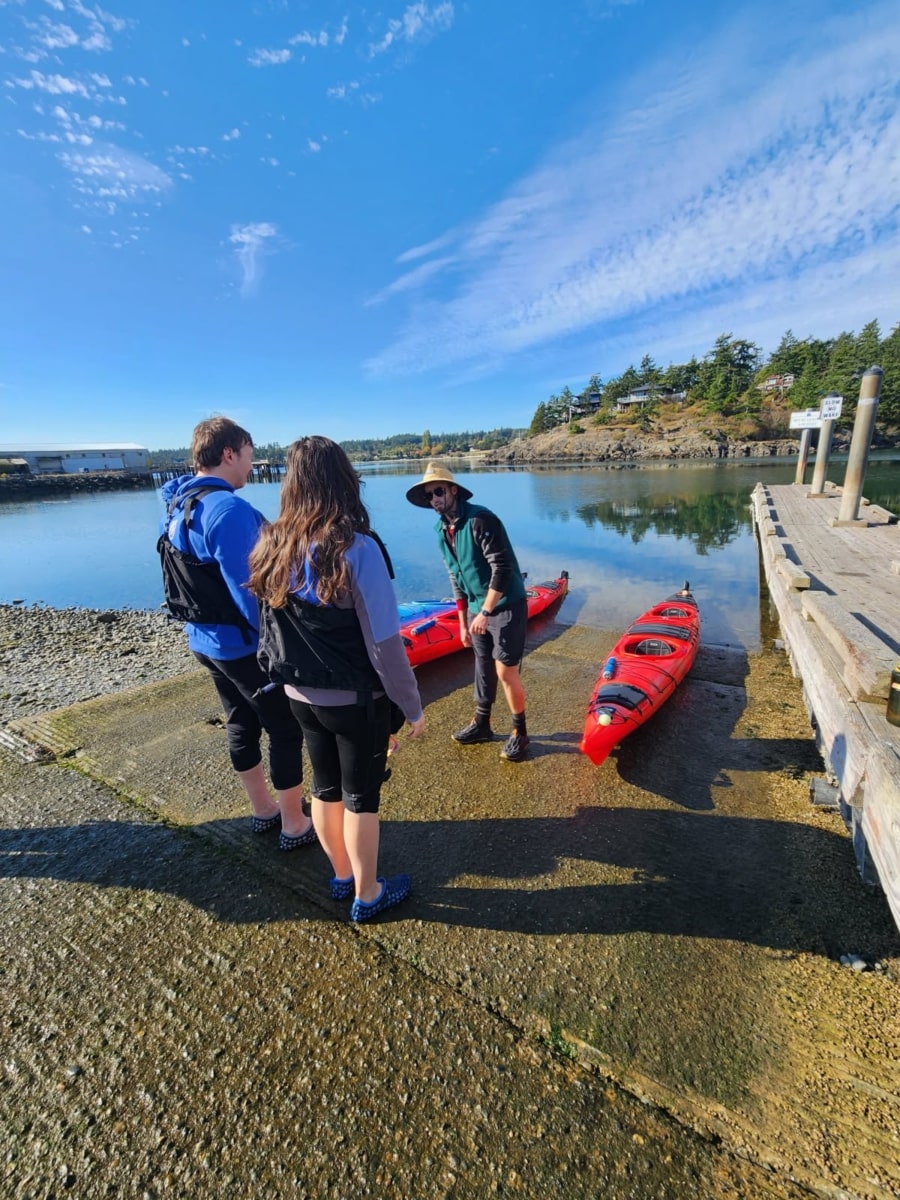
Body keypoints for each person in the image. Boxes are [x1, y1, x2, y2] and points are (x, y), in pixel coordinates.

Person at [247, 436, 425, 922]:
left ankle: (343, 876)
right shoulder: (358, 549)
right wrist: (412, 708)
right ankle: (369, 895)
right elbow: (386, 647)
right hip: (355, 702)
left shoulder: (270, 545)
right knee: (362, 797)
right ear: (345, 480)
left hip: (298, 695)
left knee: (324, 789)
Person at [159, 417, 313, 850]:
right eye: (248, 454)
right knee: (284, 729)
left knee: (240, 720)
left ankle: (263, 809)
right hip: (243, 646)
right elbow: (251, 592)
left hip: (204, 641)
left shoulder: (178, 505)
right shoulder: (228, 510)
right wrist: (280, 644)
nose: (251, 464)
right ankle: (293, 824)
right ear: (229, 453)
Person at [406, 463, 530, 762]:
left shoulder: (480, 520)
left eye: (438, 491)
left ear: (453, 490)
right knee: (482, 667)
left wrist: (486, 611)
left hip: (505, 605)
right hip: (477, 610)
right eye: (429, 495)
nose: (434, 499)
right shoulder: (442, 531)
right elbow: (456, 578)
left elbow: (502, 567)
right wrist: (463, 623)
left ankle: (519, 732)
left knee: (505, 671)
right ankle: (482, 724)